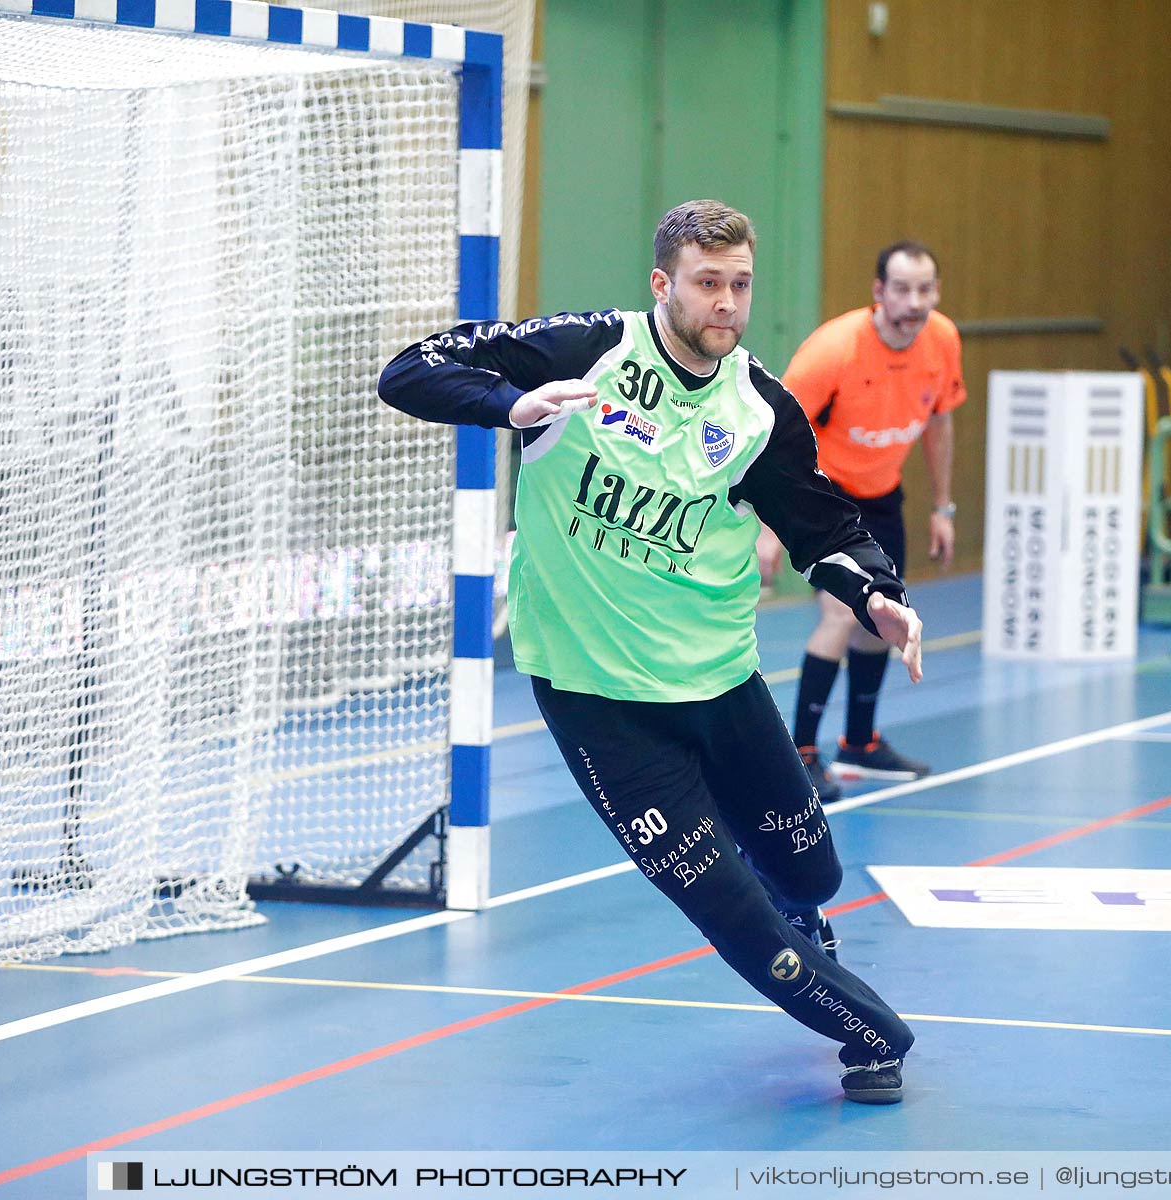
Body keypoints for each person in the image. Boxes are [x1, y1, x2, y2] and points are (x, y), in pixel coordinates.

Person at [377, 200, 921, 1104]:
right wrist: (513, 404)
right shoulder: (581, 353)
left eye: (741, 285)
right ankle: (875, 1039)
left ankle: (804, 914)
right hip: (593, 694)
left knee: (810, 872)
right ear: (663, 284)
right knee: (726, 906)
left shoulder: (759, 408)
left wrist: (877, 594)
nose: (728, 304)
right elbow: (410, 372)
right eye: (708, 284)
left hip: (718, 680)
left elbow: (816, 520)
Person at [757, 241, 965, 798]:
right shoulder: (834, 351)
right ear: (878, 292)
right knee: (841, 616)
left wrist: (942, 507)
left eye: (925, 289)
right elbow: (772, 435)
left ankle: (859, 744)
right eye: (902, 288)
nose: (914, 301)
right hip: (821, 496)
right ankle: (800, 755)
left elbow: (941, 423)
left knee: (886, 617)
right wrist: (769, 527)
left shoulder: (942, 341)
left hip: (881, 493)